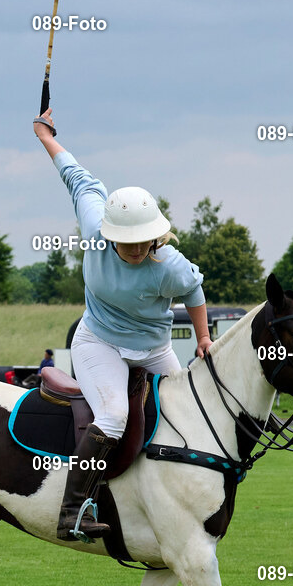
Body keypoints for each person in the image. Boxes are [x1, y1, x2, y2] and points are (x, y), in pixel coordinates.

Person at [33, 107, 212, 543]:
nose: (134, 250)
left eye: (142, 242)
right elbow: (75, 175)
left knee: (192, 413)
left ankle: (179, 501)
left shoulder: (170, 265)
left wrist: (204, 336)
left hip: (153, 347)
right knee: (114, 414)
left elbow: (194, 292)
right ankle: (72, 511)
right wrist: (44, 135)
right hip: (99, 341)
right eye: (125, 243)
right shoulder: (95, 226)